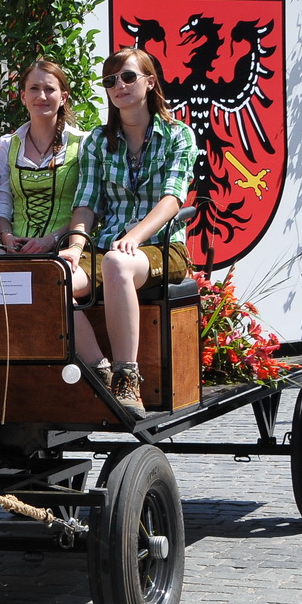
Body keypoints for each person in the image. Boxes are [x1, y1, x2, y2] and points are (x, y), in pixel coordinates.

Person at [59, 47, 195, 416]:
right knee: (52, 280)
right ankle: (98, 371)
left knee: (119, 263)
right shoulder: (98, 141)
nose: (119, 86)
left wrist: (135, 235)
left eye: (128, 77)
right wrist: (75, 245)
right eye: (111, 80)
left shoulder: (177, 135)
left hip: (163, 245)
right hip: (106, 246)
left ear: (150, 82)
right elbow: (86, 204)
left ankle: (127, 377)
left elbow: (172, 200)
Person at [0, 60, 91, 256]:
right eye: (34, 88)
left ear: (63, 97)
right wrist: (7, 238)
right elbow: (1, 203)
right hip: (17, 250)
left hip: (64, 249)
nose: (41, 96)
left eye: (49, 89)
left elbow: (88, 206)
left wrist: (50, 240)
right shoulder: (7, 144)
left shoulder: (83, 143)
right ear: (23, 96)